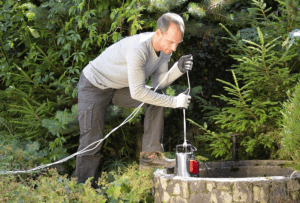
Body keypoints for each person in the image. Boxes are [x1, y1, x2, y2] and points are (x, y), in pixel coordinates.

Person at [75, 12, 193, 189]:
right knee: (91, 143)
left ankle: (151, 156)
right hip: (94, 86)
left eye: (178, 43)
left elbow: (158, 82)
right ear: (158, 33)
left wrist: (178, 69)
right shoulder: (138, 49)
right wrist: (174, 101)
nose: (174, 48)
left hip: (118, 88)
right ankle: (83, 192)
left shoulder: (164, 50)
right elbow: (138, 92)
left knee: (156, 97)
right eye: (171, 42)